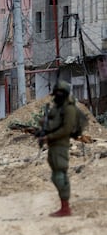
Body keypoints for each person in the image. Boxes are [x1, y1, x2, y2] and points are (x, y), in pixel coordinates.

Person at [39, 80, 76, 217]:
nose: (56, 96)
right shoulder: (58, 107)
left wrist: (49, 137)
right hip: (53, 145)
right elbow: (51, 122)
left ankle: (65, 208)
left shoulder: (69, 109)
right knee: (56, 176)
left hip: (60, 144)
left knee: (60, 175)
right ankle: (64, 206)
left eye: (58, 93)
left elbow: (66, 129)